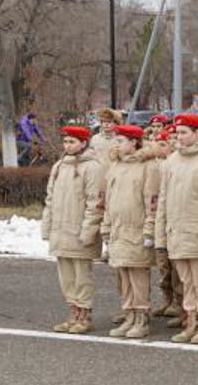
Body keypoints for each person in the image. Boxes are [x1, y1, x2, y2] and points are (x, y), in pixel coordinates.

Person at [155, 114, 198, 344]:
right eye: (177, 133)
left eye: (185, 132)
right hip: (177, 232)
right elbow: (163, 201)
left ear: (197, 133)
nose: (180, 137)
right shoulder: (172, 161)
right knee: (186, 281)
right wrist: (161, 236)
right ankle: (190, 320)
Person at [42, 126, 104, 333]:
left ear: (84, 143)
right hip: (61, 231)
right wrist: (48, 226)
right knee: (66, 276)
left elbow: (95, 202)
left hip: (79, 231)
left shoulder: (92, 167)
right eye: (66, 141)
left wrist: (88, 231)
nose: (68, 145)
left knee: (82, 276)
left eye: (73, 142)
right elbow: (50, 199)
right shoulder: (59, 166)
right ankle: (73, 311)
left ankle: (85, 314)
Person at [101, 125, 160, 338]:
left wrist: (149, 230)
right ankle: (129, 315)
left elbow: (152, 200)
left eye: (121, 141)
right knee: (123, 274)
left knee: (137, 275)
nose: (117, 145)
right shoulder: (115, 165)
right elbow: (109, 200)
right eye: (116, 141)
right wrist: (106, 226)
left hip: (137, 229)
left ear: (134, 142)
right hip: (118, 229)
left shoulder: (149, 166)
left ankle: (142, 317)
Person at [150, 130, 184, 325]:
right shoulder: (155, 165)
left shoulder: (173, 164)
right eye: (159, 143)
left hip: (177, 221)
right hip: (161, 219)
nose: (161, 147)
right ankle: (168, 300)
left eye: (165, 144)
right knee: (164, 267)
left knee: (178, 270)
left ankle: (180, 305)